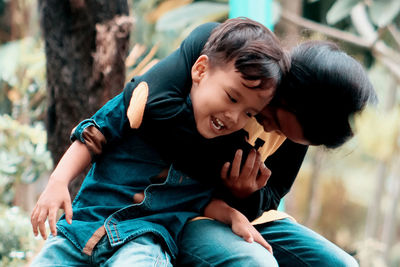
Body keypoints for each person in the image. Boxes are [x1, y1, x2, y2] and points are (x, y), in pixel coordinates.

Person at [30, 18, 289, 266]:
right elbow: (94, 134)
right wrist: (58, 181)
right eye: (232, 97)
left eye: (249, 114)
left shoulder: (222, 150)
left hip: (143, 242)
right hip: (81, 228)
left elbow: (198, 201)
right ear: (200, 70)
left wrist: (233, 215)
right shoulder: (145, 105)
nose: (234, 117)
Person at [177, 40, 378, 266]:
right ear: (286, 89)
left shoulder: (299, 131)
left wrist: (246, 194)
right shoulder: (234, 84)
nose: (272, 131)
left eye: (286, 134)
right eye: (277, 122)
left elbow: (273, 194)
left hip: (252, 218)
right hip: (189, 210)